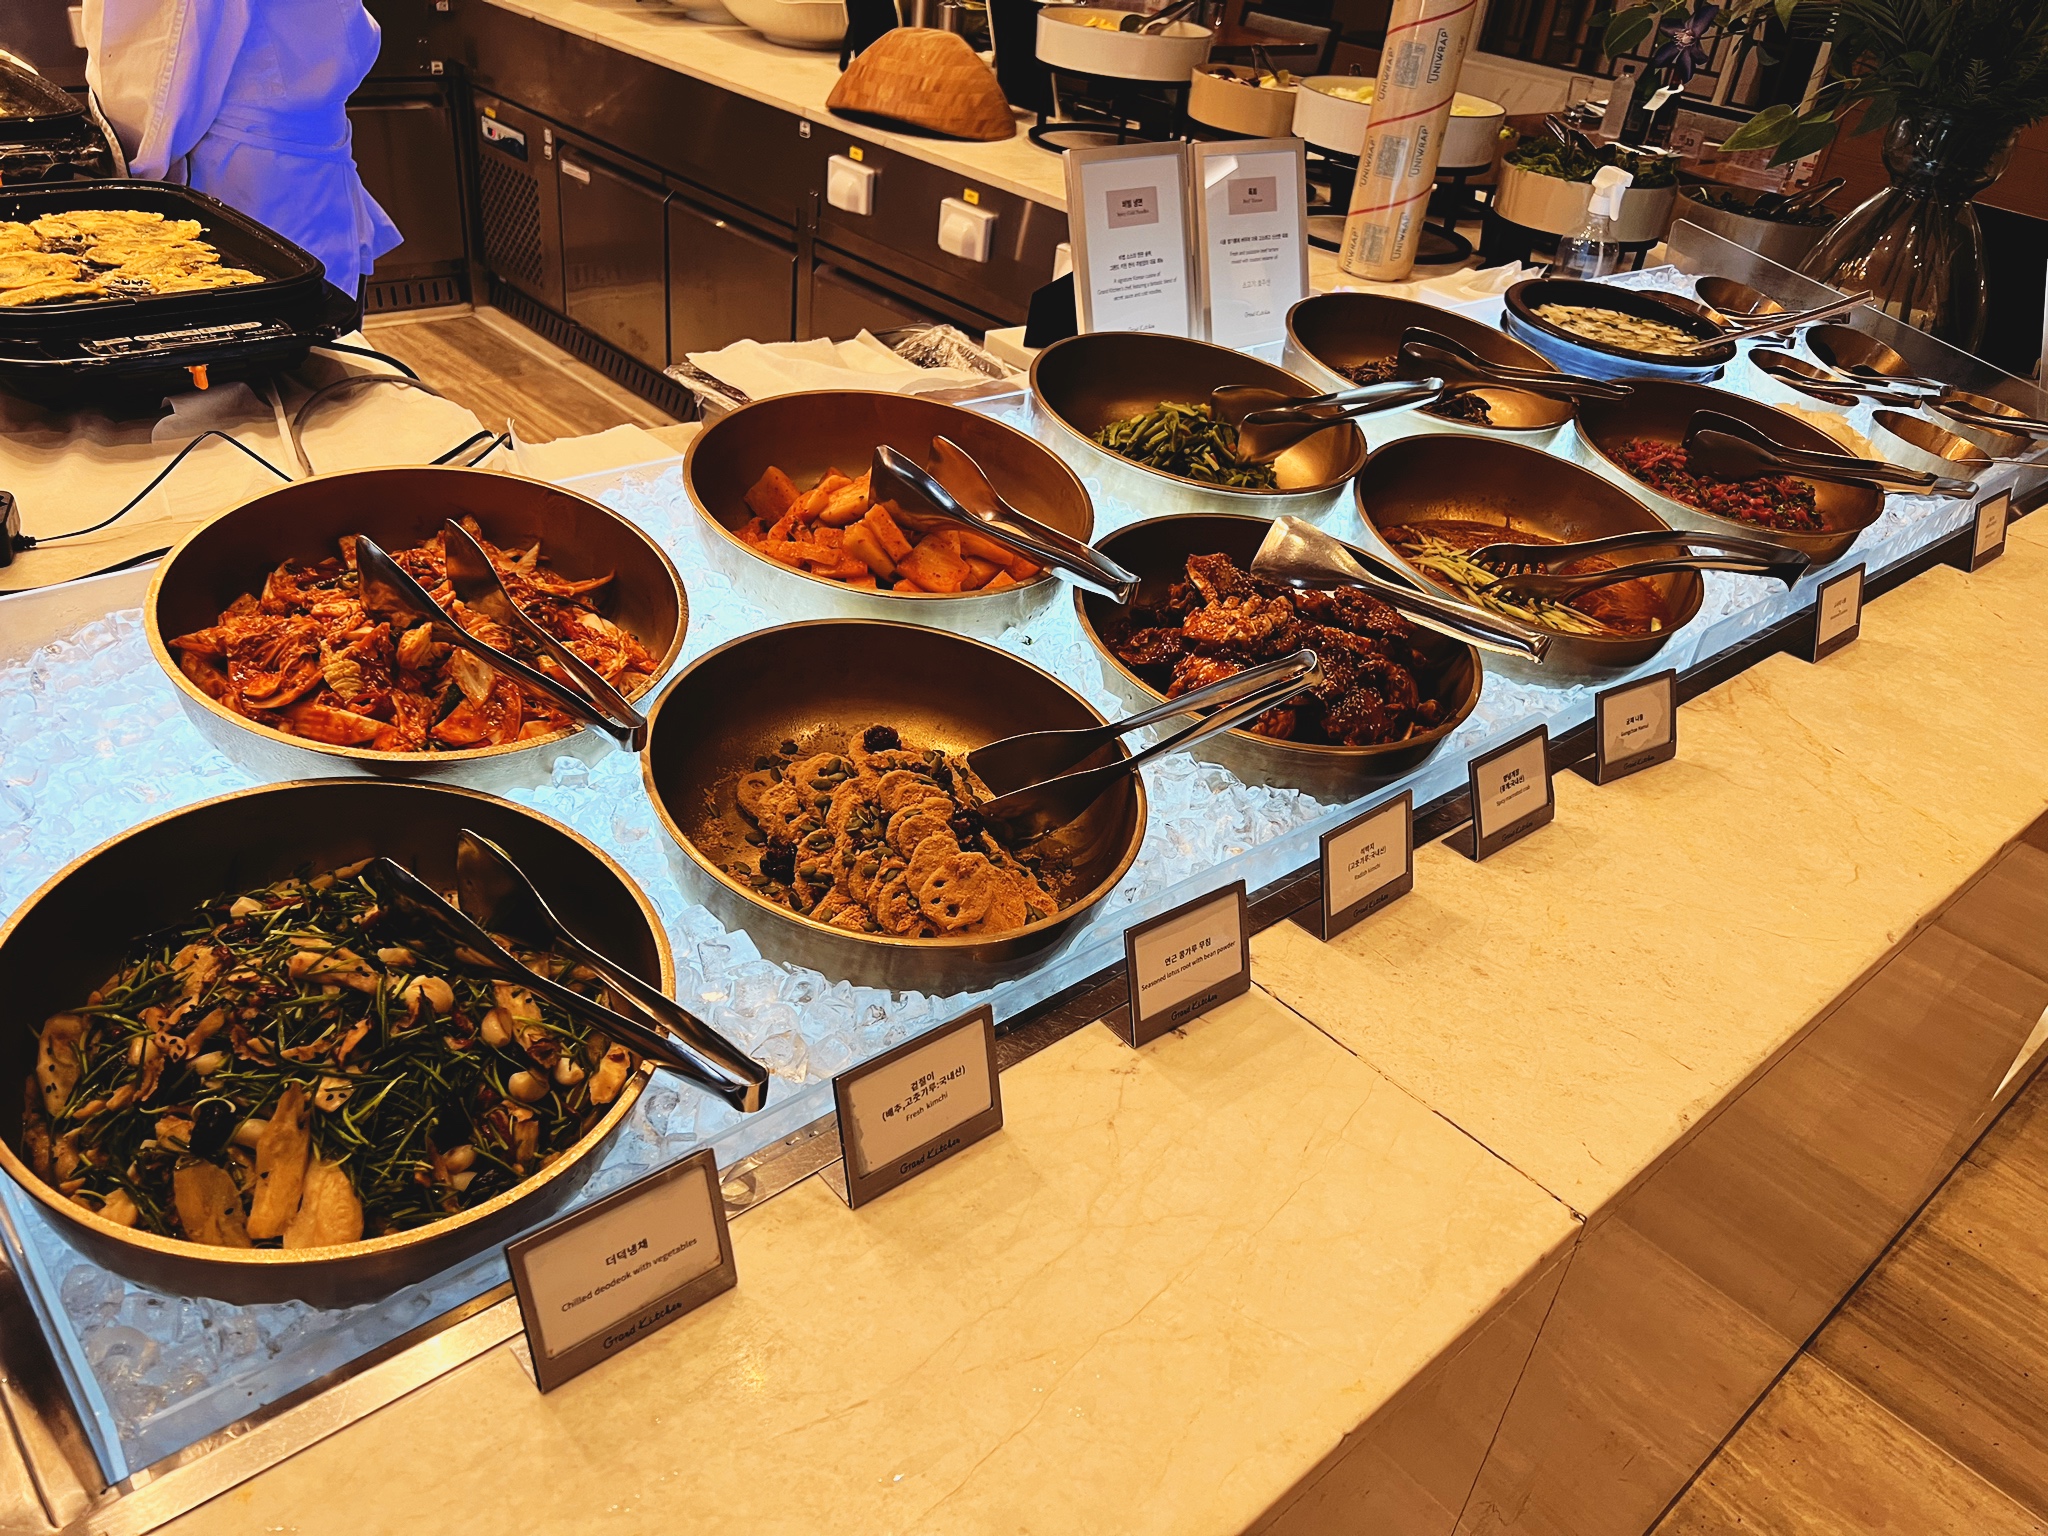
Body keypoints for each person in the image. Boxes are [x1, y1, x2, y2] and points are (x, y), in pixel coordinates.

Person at [82, 0, 401, 298]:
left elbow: (161, 71)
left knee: (264, 319)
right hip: (306, 176)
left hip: (241, 189)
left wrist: (131, 191)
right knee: (314, 316)